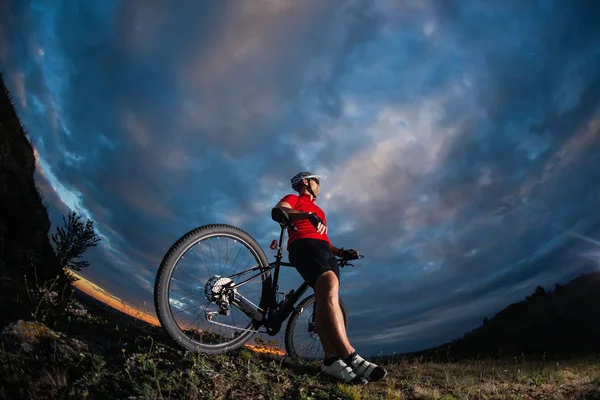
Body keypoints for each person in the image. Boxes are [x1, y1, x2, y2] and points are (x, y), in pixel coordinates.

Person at [273, 171, 388, 385]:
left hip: (324, 250)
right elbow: (280, 211)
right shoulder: (294, 199)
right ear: (306, 182)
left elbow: (323, 238)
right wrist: (306, 216)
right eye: (317, 181)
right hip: (303, 245)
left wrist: (341, 252)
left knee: (327, 297)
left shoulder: (320, 210)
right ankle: (350, 356)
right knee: (329, 283)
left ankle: (331, 360)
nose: (320, 185)